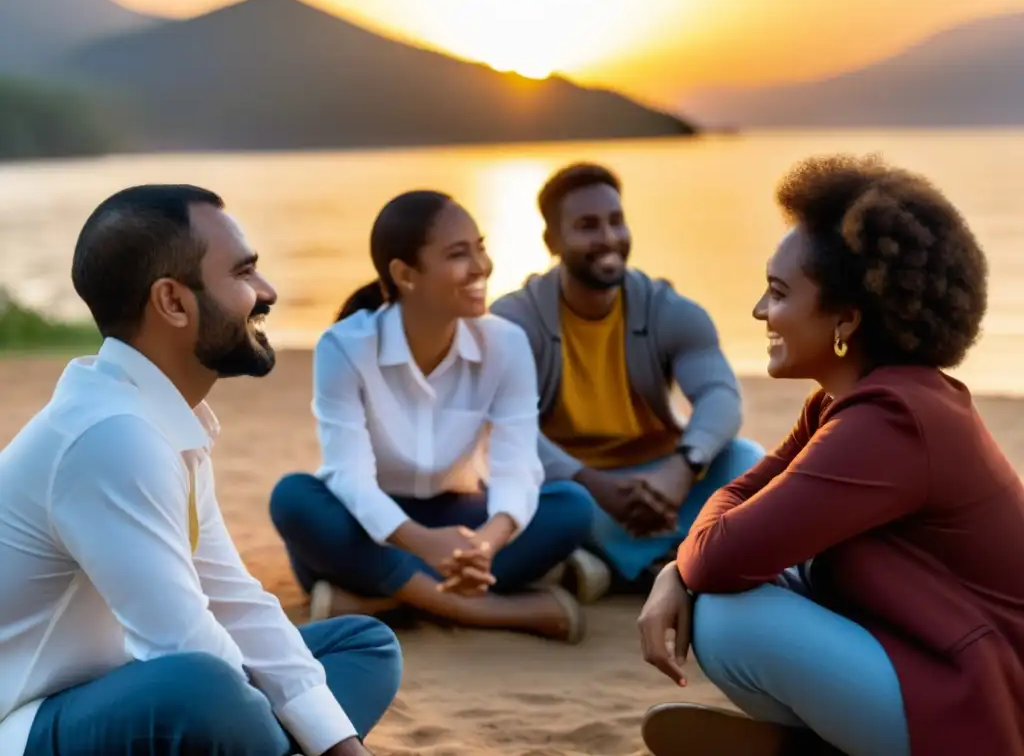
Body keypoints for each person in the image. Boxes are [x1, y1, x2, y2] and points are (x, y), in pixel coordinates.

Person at [637, 154, 1024, 756]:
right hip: (928, 651)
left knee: (726, 619)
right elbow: (739, 496)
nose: (760, 312)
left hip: (986, 700)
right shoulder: (849, 403)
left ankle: (814, 748)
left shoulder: (891, 421)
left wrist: (681, 573)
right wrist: (676, 570)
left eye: (779, 292)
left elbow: (718, 560)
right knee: (746, 580)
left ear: (846, 319)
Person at [0, 185, 402, 756]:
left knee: (362, 644)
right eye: (244, 274)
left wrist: (341, 747)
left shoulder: (164, 420)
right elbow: (180, 645)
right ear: (173, 302)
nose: (267, 292)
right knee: (201, 686)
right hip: (23, 722)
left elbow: (232, 598)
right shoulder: (110, 436)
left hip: (117, 690)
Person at [269, 190, 594, 643]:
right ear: (405, 274)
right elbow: (351, 478)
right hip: (372, 526)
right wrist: (423, 542)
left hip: (458, 520)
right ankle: (494, 611)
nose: (481, 266)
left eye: (480, 247)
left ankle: (372, 601)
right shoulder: (344, 347)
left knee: (572, 506)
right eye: (459, 254)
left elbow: (517, 466)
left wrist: (484, 544)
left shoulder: (506, 344)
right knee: (295, 500)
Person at [490, 162, 765, 591]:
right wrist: (594, 484)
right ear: (552, 241)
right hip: (573, 485)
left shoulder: (669, 310)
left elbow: (719, 397)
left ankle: (620, 563)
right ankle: (676, 558)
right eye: (587, 226)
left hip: (662, 481)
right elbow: (504, 426)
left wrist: (682, 468)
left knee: (747, 461)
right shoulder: (513, 320)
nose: (608, 238)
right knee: (558, 505)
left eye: (616, 221)